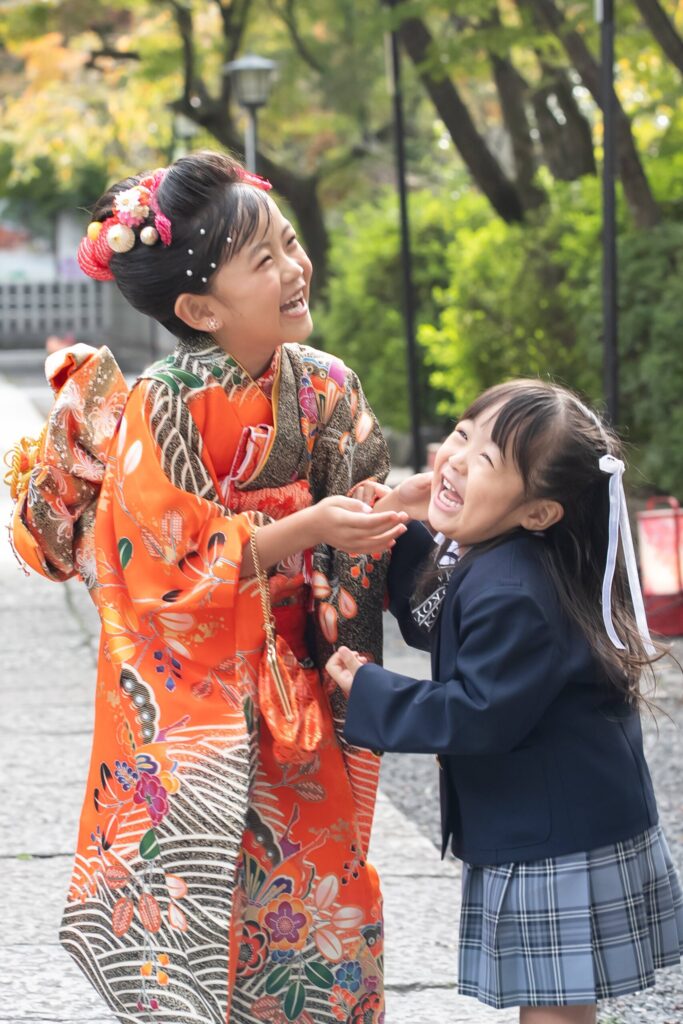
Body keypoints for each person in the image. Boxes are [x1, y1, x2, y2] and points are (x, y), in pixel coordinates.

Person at [8, 151, 407, 1024]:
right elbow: (157, 567)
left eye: (291, 244)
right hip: (204, 703)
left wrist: (390, 509)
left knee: (323, 893)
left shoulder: (328, 385)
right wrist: (309, 528)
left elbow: (361, 505)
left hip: (306, 673)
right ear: (198, 309)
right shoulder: (167, 400)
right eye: (263, 261)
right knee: (207, 903)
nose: (295, 268)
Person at [327, 379, 683, 1024]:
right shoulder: (501, 550)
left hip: (556, 837)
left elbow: (477, 712)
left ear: (540, 511)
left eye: (486, 460)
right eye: (462, 435)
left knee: (552, 1008)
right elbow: (436, 609)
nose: (457, 460)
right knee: (555, 1001)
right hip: (560, 816)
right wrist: (405, 516)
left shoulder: (514, 588)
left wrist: (370, 690)